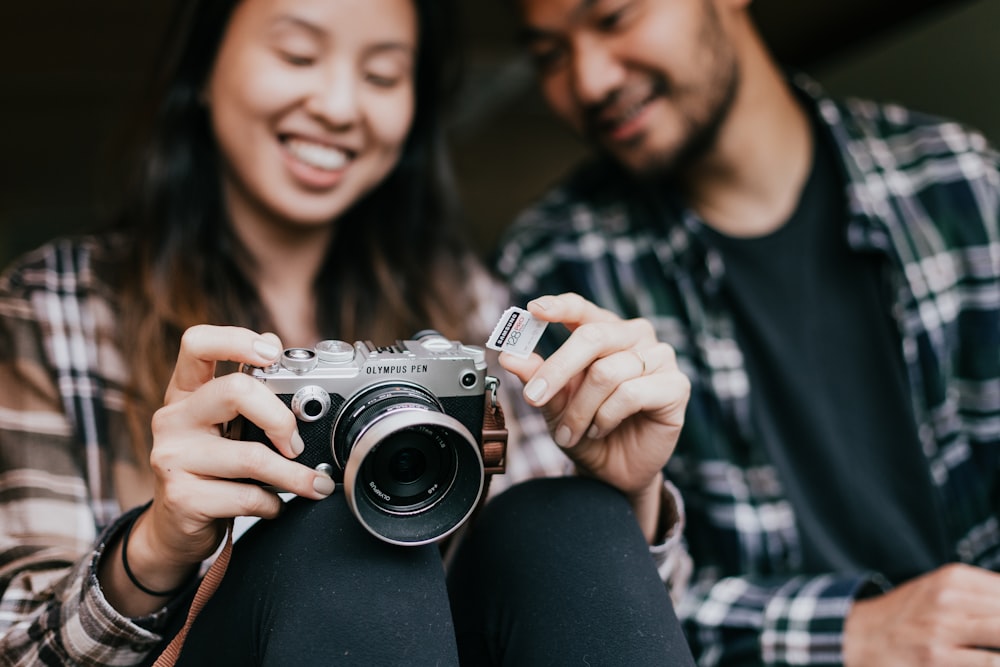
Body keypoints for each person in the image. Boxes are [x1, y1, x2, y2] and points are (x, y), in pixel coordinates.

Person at [0, 0, 697, 664]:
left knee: (571, 521)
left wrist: (627, 492)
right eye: (298, 54)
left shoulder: (470, 307)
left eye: (382, 75)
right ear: (205, 65)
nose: (338, 106)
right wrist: (153, 547)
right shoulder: (52, 309)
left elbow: (586, 610)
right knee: (338, 525)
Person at [494, 0, 1000, 665]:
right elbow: (595, 609)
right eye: (549, 56)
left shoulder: (956, 183)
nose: (588, 80)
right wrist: (852, 632)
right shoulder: (554, 272)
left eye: (614, 17)